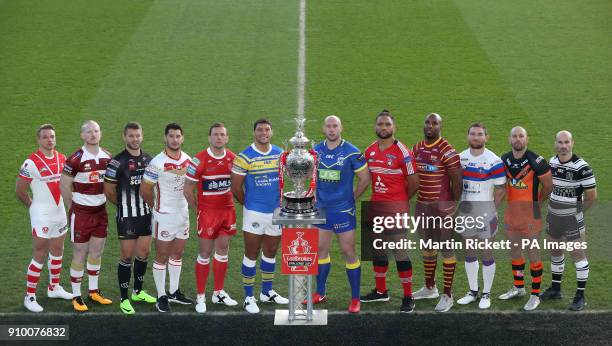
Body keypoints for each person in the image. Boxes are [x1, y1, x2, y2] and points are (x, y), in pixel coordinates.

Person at [309, 115, 370, 313]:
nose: (332, 129)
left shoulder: (352, 152)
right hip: (321, 210)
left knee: (348, 252)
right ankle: (320, 292)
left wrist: (352, 198)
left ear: (341, 127)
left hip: (343, 211)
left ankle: (355, 298)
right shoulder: (315, 151)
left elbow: (364, 179)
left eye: (335, 126)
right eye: (328, 126)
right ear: (323, 128)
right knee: (321, 251)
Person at [360, 110, 419, 313]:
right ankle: (381, 291)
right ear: (375, 127)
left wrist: (400, 202)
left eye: (387, 124)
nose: (383, 128)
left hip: (395, 209)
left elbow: (414, 183)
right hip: (376, 207)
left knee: (400, 252)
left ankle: (408, 296)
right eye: (380, 124)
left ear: (394, 128)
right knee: (378, 249)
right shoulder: (369, 151)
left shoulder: (403, 152)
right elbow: (364, 178)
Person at [231, 118, 289, 314]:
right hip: (255, 212)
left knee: (271, 251)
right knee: (251, 253)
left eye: (267, 129)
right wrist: (249, 204)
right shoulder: (244, 157)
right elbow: (236, 187)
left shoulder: (280, 154)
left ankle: (267, 291)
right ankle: (248, 297)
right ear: (254, 133)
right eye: (260, 130)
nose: (263, 133)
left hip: (276, 211)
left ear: (271, 132)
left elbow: (289, 175)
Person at [17, 124, 73, 312]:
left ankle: (54, 287)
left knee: (58, 249)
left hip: (59, 212)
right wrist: (34, 207)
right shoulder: (30, 163)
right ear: (38, 140)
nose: (50, 140)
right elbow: (20, 191)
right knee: (40, 253)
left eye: (52, 136)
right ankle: (29, 296)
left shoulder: (62, 158)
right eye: (45, 137)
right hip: (41, 214)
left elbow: (67, 186)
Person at [540, 131, 596, 311]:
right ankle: (556, 289)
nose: (563, 146)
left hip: (572, 220)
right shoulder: (552, 162)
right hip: (553, 217)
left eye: (566, 142)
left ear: (572, 143)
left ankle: (580, 295)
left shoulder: (582, 168)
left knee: (577, 256)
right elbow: (549, 188)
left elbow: (592, 196)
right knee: (555, 252)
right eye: (560, 142)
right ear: (555, 144)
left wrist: (577, 214)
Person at [184, 123, 238, 313]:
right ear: (209, 138)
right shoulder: (198, 160)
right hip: (208, 214)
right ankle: (201, 296)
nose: (219, 138)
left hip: (227, 211)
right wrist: (198, 209)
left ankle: (218, 292)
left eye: (222, 135)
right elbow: (187, 188)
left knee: (223, 250)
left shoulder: (233, 158)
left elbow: (238, 184)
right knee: (205, 253)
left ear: (227, 138)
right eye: (215, 134)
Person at [60, 120, 113, 312]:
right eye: (89, 132)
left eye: (96, 131)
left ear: (100, 134)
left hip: (100, 212)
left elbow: (112, 183)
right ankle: (76, 295)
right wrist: (71, 206)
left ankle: (93, 291)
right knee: (80, 253)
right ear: (82, 135)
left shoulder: (107, 156)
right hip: (81, 213)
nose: (93, 134)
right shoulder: (76, 158)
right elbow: (64, 185)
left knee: (96, 251)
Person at [411, 113, 463, 312]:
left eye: (434, 123)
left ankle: (448, 295)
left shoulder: (447, 151)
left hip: (443, 209)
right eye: (427, 122)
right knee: (427, 246)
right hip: (423, 207)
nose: (430, 126)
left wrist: (451, 207)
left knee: (446, 250)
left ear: (441, 126)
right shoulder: (417, 148)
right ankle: (430, 287)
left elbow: (457, 182)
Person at [103, 122, 156, 314]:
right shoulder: (117, 162)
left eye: (138, 136)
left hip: (146, 214)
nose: (135, 139)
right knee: (126, 255)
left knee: (144, 253)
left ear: (142, 136)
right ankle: (124, 299)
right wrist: (123, 206)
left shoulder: (150, 159)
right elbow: (108, 191)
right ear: (125, 137)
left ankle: (138, 292)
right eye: (131, 136)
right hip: (127, 216)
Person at [140, 123, 193, 313]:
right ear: (165, 138)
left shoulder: (187, 159)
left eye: (178, 136)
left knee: (177, 254)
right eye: (171, 136)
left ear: (182, 138)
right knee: (162, 256)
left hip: (183, 214)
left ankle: (173, 291)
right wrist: (156, 208)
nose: (175, 140)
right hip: (164, 216)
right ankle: (161, 295)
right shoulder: (156, 162)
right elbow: (144, 190)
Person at [499, 126, 552, 311]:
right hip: (512, 216)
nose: (518, 139)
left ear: (527, 139)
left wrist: (537, 202)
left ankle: (535, 295)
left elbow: (548, 186)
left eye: (521, 136)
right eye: (514, 136)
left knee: (533, 254)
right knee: (515, 252)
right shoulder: (504, 159)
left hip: (531, 216)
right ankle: (519, 287)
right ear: (509, 139)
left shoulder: (536, 161)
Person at [455, 122, 506, 310]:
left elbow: (501, 189)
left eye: (479, 134)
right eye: (473, 134)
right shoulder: (460, 158)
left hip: (486, 215)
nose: (476, 137)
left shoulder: (494, 161)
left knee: (486, 252)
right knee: (469, 251)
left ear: (486, 137)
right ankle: (473, 291)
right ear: (468, 136)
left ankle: (486, 293)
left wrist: (492, 209)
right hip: (466, 214)